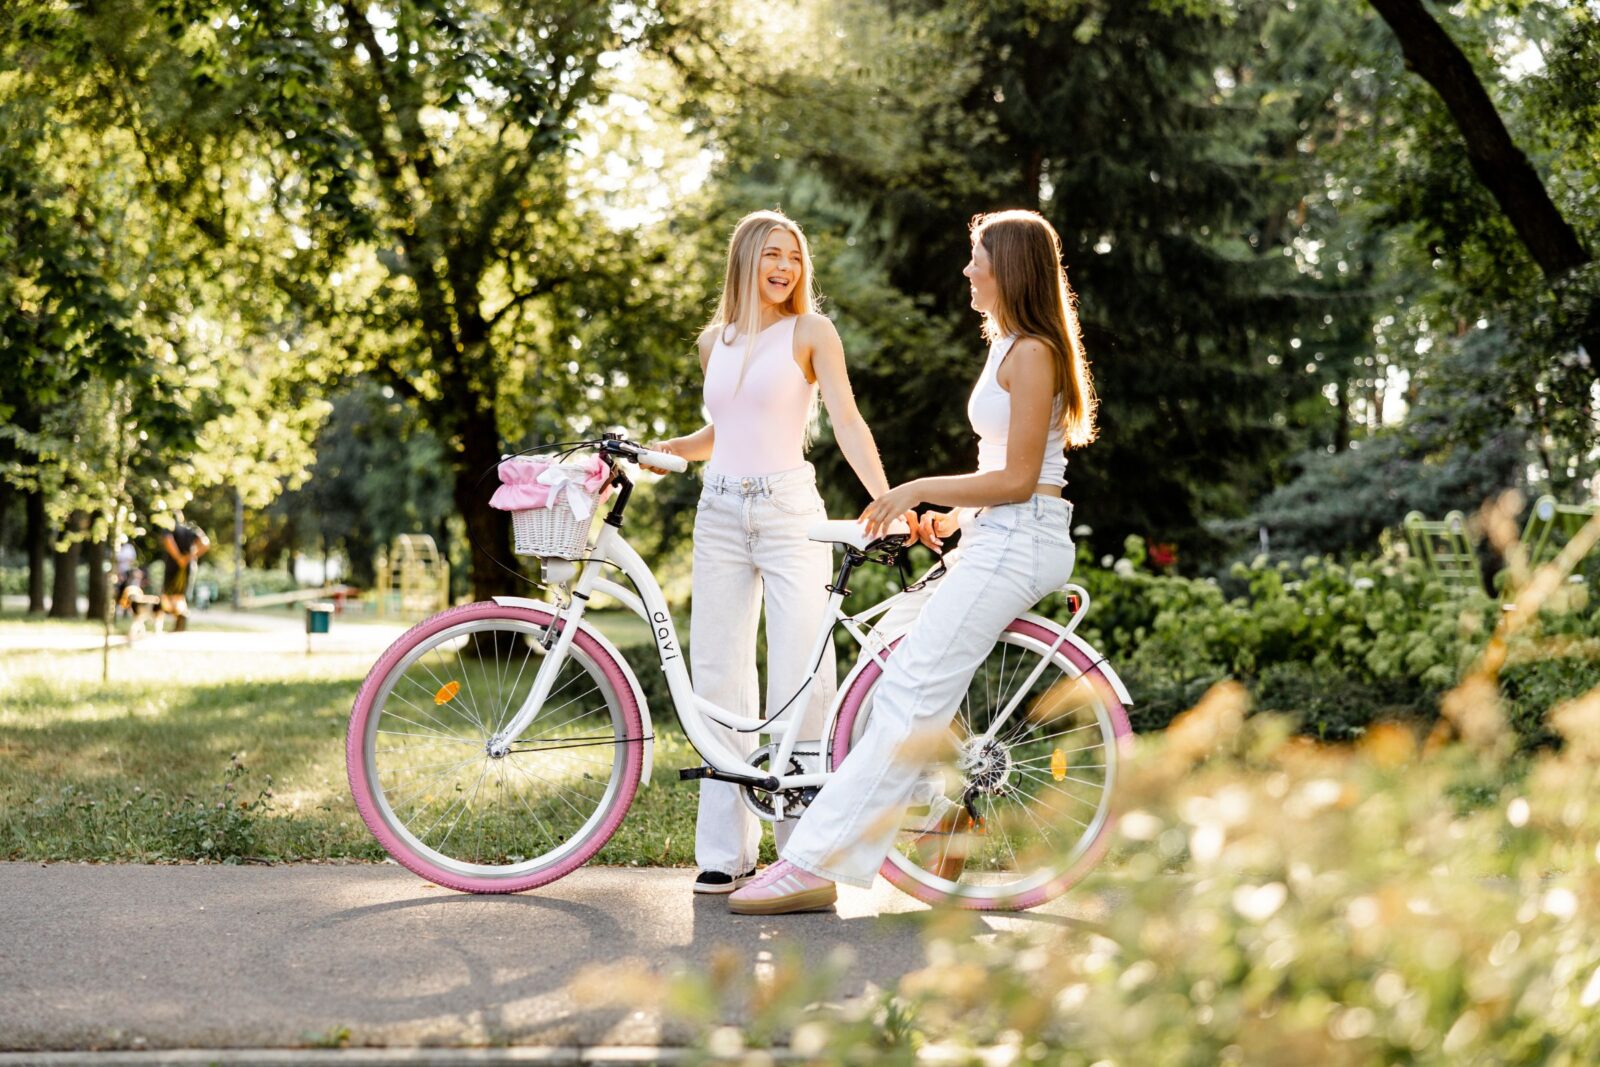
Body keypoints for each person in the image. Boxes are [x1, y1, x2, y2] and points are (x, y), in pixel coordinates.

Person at [729, 209, 1098, 914]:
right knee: (890, 666)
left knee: (908, 690)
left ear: (1009, 267)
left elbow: (1024, 479)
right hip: (995, 534)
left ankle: (814, 863)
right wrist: (953, 517)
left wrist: (922, 486)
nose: (967, 270)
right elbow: (1004, 469)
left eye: (977, 258)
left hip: (1020, 539)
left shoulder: (1033, 353)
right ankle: (939, 815)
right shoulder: (1009, 346)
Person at [648, 209, 915, 895]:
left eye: (795, 256)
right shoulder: (716, 340)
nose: (786, 267)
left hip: (789, 507)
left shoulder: (811, 331)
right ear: (745, 259)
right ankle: (723, 851)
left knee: (802, 669)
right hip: (719, 511)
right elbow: (724, 426)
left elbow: (847, 418)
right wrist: (670, 451)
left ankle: (803, 851)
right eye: (773, 253)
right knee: (717, 673)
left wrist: (886, 500)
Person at [160, 512, 210, 632]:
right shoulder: (191, 529)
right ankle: (180, 621)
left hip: (175, 565)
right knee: (179, 595)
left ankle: (181, 621)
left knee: (170, 596)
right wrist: (190, 557)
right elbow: (205, 542)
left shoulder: (169, 527)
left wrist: (179, 558)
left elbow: (168, 540)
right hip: (188, 566)